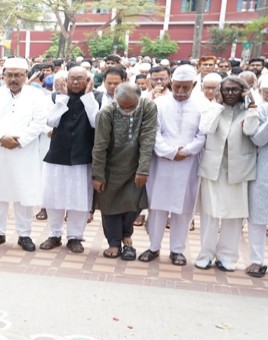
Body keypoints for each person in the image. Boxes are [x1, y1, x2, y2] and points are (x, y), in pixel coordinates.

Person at [138, 65, 206, 266]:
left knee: (183, 210)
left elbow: (202, 134)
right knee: (157, 208)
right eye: (177, 86)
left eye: (186, 87)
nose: (181, 91)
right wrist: (169, 152)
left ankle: (177, 250)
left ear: (193, 85)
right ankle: (154, 247)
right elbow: (153, 131)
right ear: (171, 83)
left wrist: (186, 151)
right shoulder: (158, 103)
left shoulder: (202, 105)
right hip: (162, 162)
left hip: (189, 164)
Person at [0, 57, 48, 252]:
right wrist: (1, 138)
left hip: (24, 152)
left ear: (26, 76)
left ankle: (24, 234)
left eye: (18, 75)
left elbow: (39, 122)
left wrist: (19, 141)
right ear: (3, 76)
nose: (13, 79)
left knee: (23, 193)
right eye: (9, 75)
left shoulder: (36, 96)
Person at [195, 76, 260, 272]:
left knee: (233, 217)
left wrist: (251, 106)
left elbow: (251, 130)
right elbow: (206, 128)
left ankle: (227, 258)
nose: (230, 94)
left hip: (239, 170)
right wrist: (218, 105)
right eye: (226, 90)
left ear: (243, 91)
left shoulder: (251, 111)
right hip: (213, 169)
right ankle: (205, 255)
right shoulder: (211, 108)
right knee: (210, 215)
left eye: (235, 90)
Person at [92, 82, 157, 260]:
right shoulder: (106, 113)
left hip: (135, 166)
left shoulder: (148, 107)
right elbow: (99, 146)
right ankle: (114, 242)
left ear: (139, 98)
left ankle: (126, 236)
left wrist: (143, 169)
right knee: (109, 205)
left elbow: (148, 137)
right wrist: (98, 174)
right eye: (122, 107)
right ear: (115, 100)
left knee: (133, 204)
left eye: (131, 107)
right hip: (111, 167)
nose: (126, 111)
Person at [40, 67, 101, 254]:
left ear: (88, 80)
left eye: (80, 79)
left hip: (83, 157)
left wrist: (88, 96)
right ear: (66, 80)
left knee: (79, 199)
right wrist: (63, 99)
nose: (75, 82)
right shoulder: (55, 98)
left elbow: (96, 122)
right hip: (57, 155)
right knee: (54, 197)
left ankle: (75, 237)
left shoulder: (97, 98)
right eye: (72, 79)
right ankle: (55, 234)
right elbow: (51, 121)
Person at [246, 102, 268, 278]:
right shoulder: (263, 109)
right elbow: (258, 139)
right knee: (258, 217)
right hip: (264, 171)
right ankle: (256, 260)